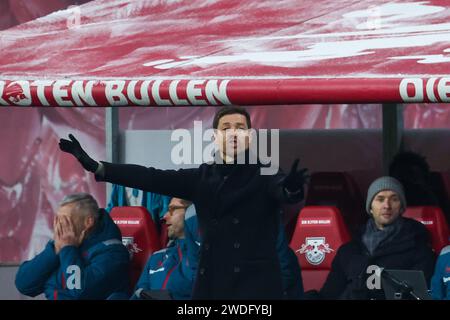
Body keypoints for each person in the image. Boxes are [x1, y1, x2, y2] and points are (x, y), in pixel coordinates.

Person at [59, 106, 308, 299]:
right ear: (215, 137)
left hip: (256, 291)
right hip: (212, 287)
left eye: (240, 128)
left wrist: (292, 188)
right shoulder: (201, 178)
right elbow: (151, 177)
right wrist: (99, 167)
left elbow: (283, 189)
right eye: (226, 128)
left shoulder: (266, 173)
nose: (233, 133)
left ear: (250, 137)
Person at [319, 176, 435, 300]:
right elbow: (328, 294)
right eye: (380, 199)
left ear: (401, 208)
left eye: (394, 199)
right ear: (370, 208)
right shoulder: (349, 251)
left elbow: (419, 295)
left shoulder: (419, 249)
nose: (387, 205)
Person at [15, 193, 130, 300]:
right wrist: (54, 251)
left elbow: (79, 291)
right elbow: (24, 285)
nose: (59, 226)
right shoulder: (64, 244)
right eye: (58, 220)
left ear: (88, 222)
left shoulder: (113, 253)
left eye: (65, 220)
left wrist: (68, 249)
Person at [131, 198, 200, 300]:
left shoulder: (202, 258)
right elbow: (138, 294)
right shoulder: (156, 257)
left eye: (173, 209)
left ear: (191, 212)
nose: (165, 216)